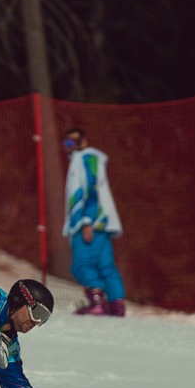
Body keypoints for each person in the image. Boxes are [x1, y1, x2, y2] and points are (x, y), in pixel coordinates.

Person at [62, 127, 127, 316]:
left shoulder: (84, 159)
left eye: (73, 141)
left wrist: (87, 221)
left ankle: (97, 301)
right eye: (67, 142)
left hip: (89, 222)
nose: (69, 146)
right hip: (101, 222)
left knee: (82, 264)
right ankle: (116, 303)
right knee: (105, 264)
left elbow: (91, 190)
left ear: (83, 141)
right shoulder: (89, 159)